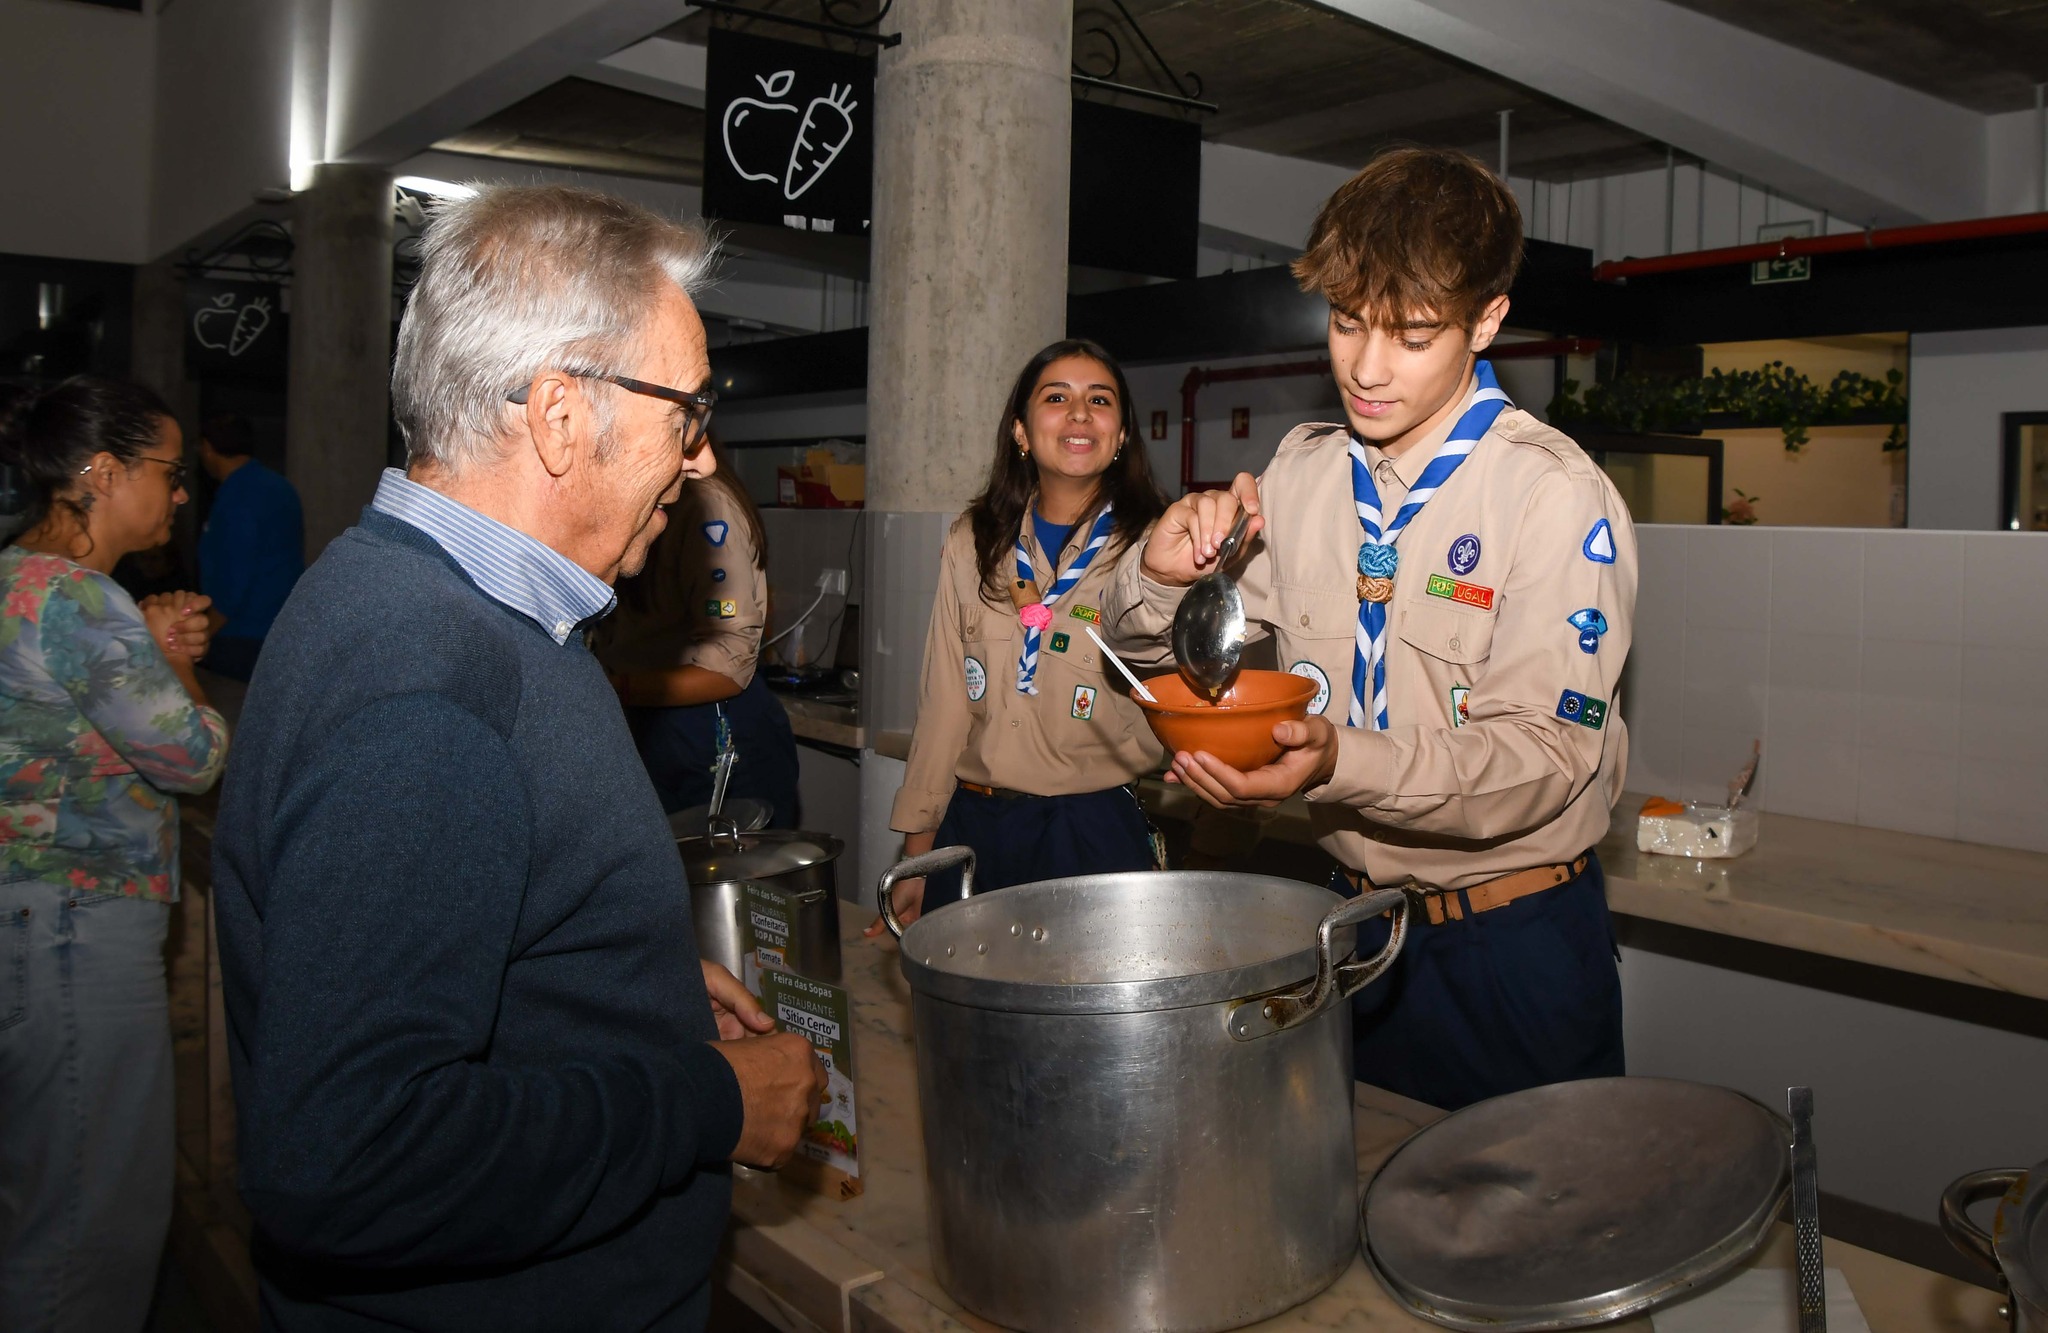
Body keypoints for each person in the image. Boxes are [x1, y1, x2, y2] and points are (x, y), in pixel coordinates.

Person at [211, 185, 827, 1332]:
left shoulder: (414, 594)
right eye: (684, 414)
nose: (697, 463)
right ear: (556, 414)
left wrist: (599, 977)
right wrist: (697, 1100)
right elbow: (343, 1158)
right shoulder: (428, 687)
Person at [1102, 147, 1637, 1112]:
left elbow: (1545, 753)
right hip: (1350, 927)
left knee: (1527, 1240)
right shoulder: (1304, 473)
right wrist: (1155, 571)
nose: (1367, 368)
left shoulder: (1552, 496)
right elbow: (1167, 654)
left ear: (1488, 319)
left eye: (1413, 334)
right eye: (1347, 324)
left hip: (1510, 945)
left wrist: (1335, 759)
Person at [0, 376, 229, 1332]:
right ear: (101, 472)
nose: (180, 494)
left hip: (27, 923)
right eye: (167, 473)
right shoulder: (82, 597)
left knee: (40, 1198)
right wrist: (176, 664)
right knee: (96, 1223)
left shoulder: (19, 579)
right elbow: (192, 753)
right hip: (77, 937)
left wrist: (146, 639)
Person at [871, 339, 1167, 932]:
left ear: (1122, 435)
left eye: (1099, 400)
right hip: (974, 831)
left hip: (1092, 834)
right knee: (966, 1021)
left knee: (1088, 1024)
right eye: (1057, 398)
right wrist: (918, 854)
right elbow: (945, 703)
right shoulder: (973, 540)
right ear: (1022, 432)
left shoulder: (1161, 550)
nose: (1080, 413)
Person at [598, 440, 800, 828]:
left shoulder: (706, 506)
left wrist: (610, 689)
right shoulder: (641, 501)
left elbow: (729, 663)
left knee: (738, 884)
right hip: (652, 723)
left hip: (715, 728)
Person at [195, 412, 304, 681]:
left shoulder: (237, 497)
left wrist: (201, 635)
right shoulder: (281, 487)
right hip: (281, 631)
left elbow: (233, 580)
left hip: (240, 637)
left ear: (208, 449)